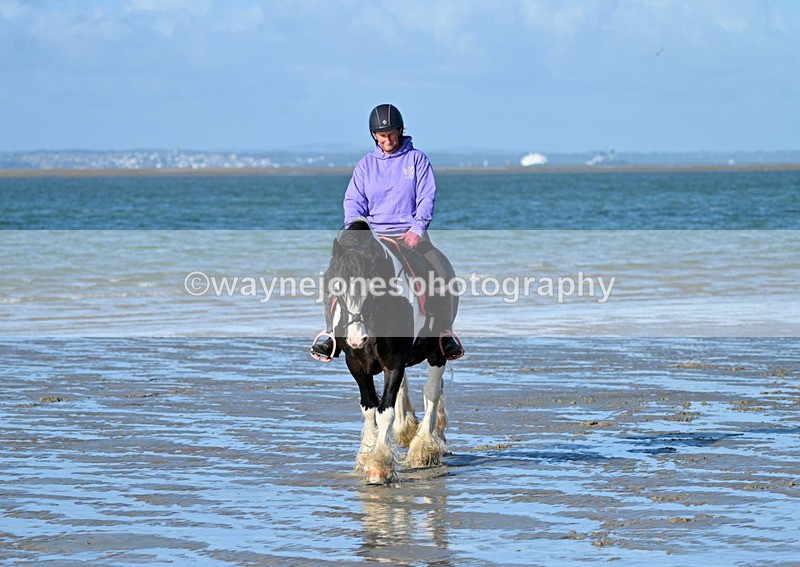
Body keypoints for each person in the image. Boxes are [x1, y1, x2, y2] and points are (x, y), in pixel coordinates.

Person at [311, 103, 464, 361]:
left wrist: (417, 229)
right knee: (334, 274)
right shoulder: (366, 166)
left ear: (401, 130)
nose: (388, 140)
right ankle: (332, 335)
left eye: (392, 133)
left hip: (410, 236)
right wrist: (355, 233)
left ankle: (443, 334)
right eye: (382, 135)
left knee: (440, 270)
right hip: (373, 239)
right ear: (374, 136)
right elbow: (353, 201)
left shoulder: (417, 160)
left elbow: (427, 198)